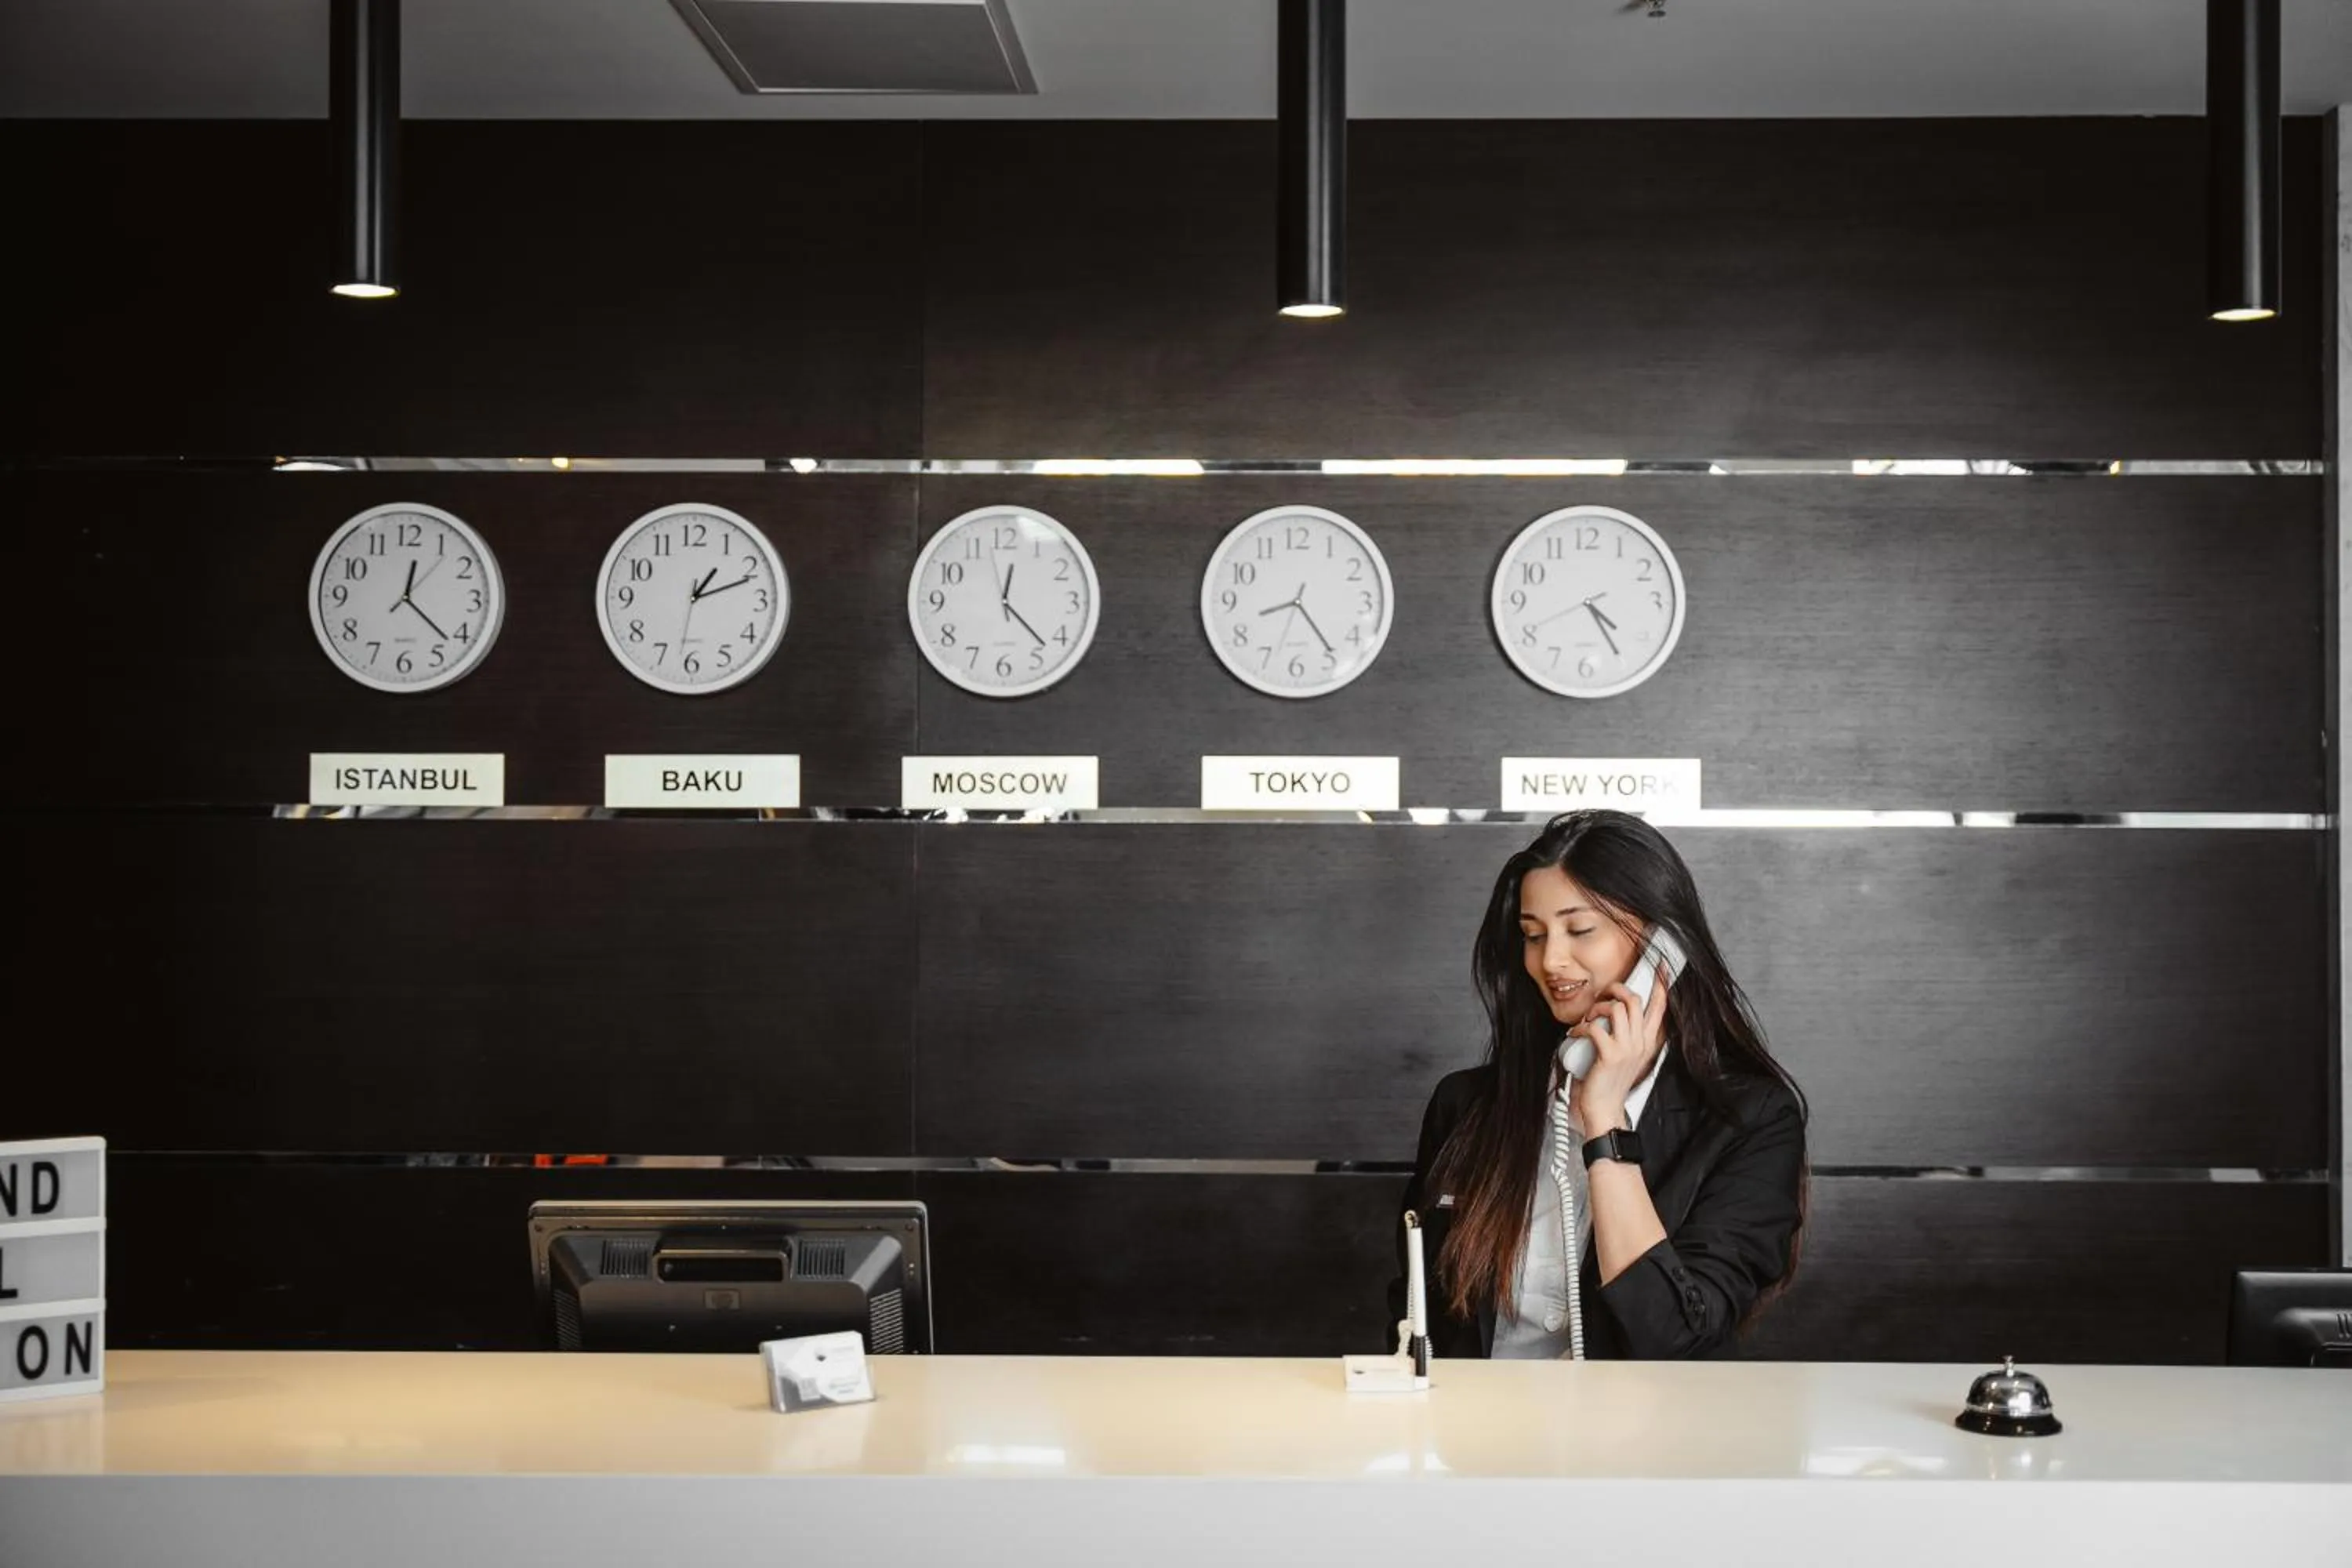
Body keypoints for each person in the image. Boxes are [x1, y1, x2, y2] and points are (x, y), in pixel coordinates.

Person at [1390, 810, 1807, 1359]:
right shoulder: (1465, 1106)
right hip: (1477, 1435)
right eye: (1532, 935)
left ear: (1663, 950)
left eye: (1580, 929)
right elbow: (1416, 1314)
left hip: (1647, 1440)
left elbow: (1673, 1338)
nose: (1550, 961)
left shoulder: (1750, 1119)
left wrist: (1606, 1123)